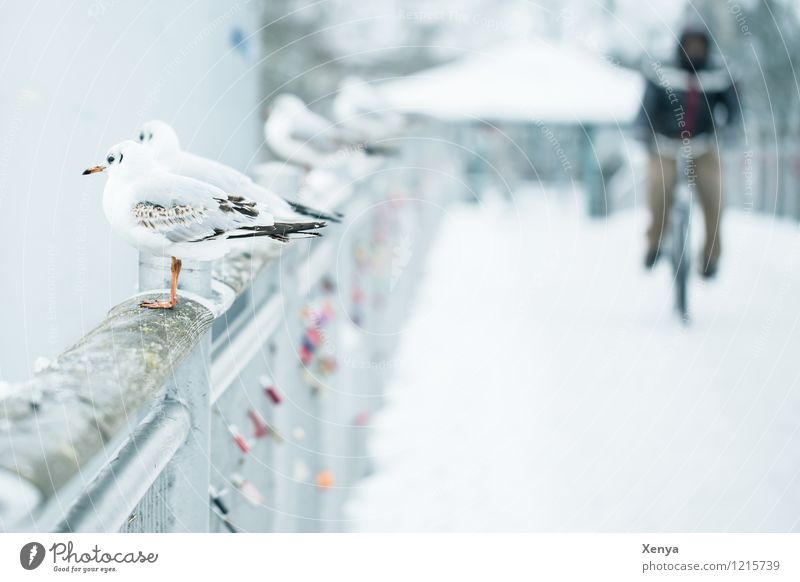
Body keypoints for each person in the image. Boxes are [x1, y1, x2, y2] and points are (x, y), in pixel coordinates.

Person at [638, 25, 741, 278]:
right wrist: (643, 131)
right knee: (659, 188)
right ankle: (655, 243)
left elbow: (735, 109)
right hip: (665, 146)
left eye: (700, 45)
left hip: (703, 146)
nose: (695, 50)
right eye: (690, 44)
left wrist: (731, 129)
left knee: (714, 196)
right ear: (681, 46)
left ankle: (710, 256)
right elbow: (646, 108)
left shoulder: (719, 72)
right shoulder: (662, 70)